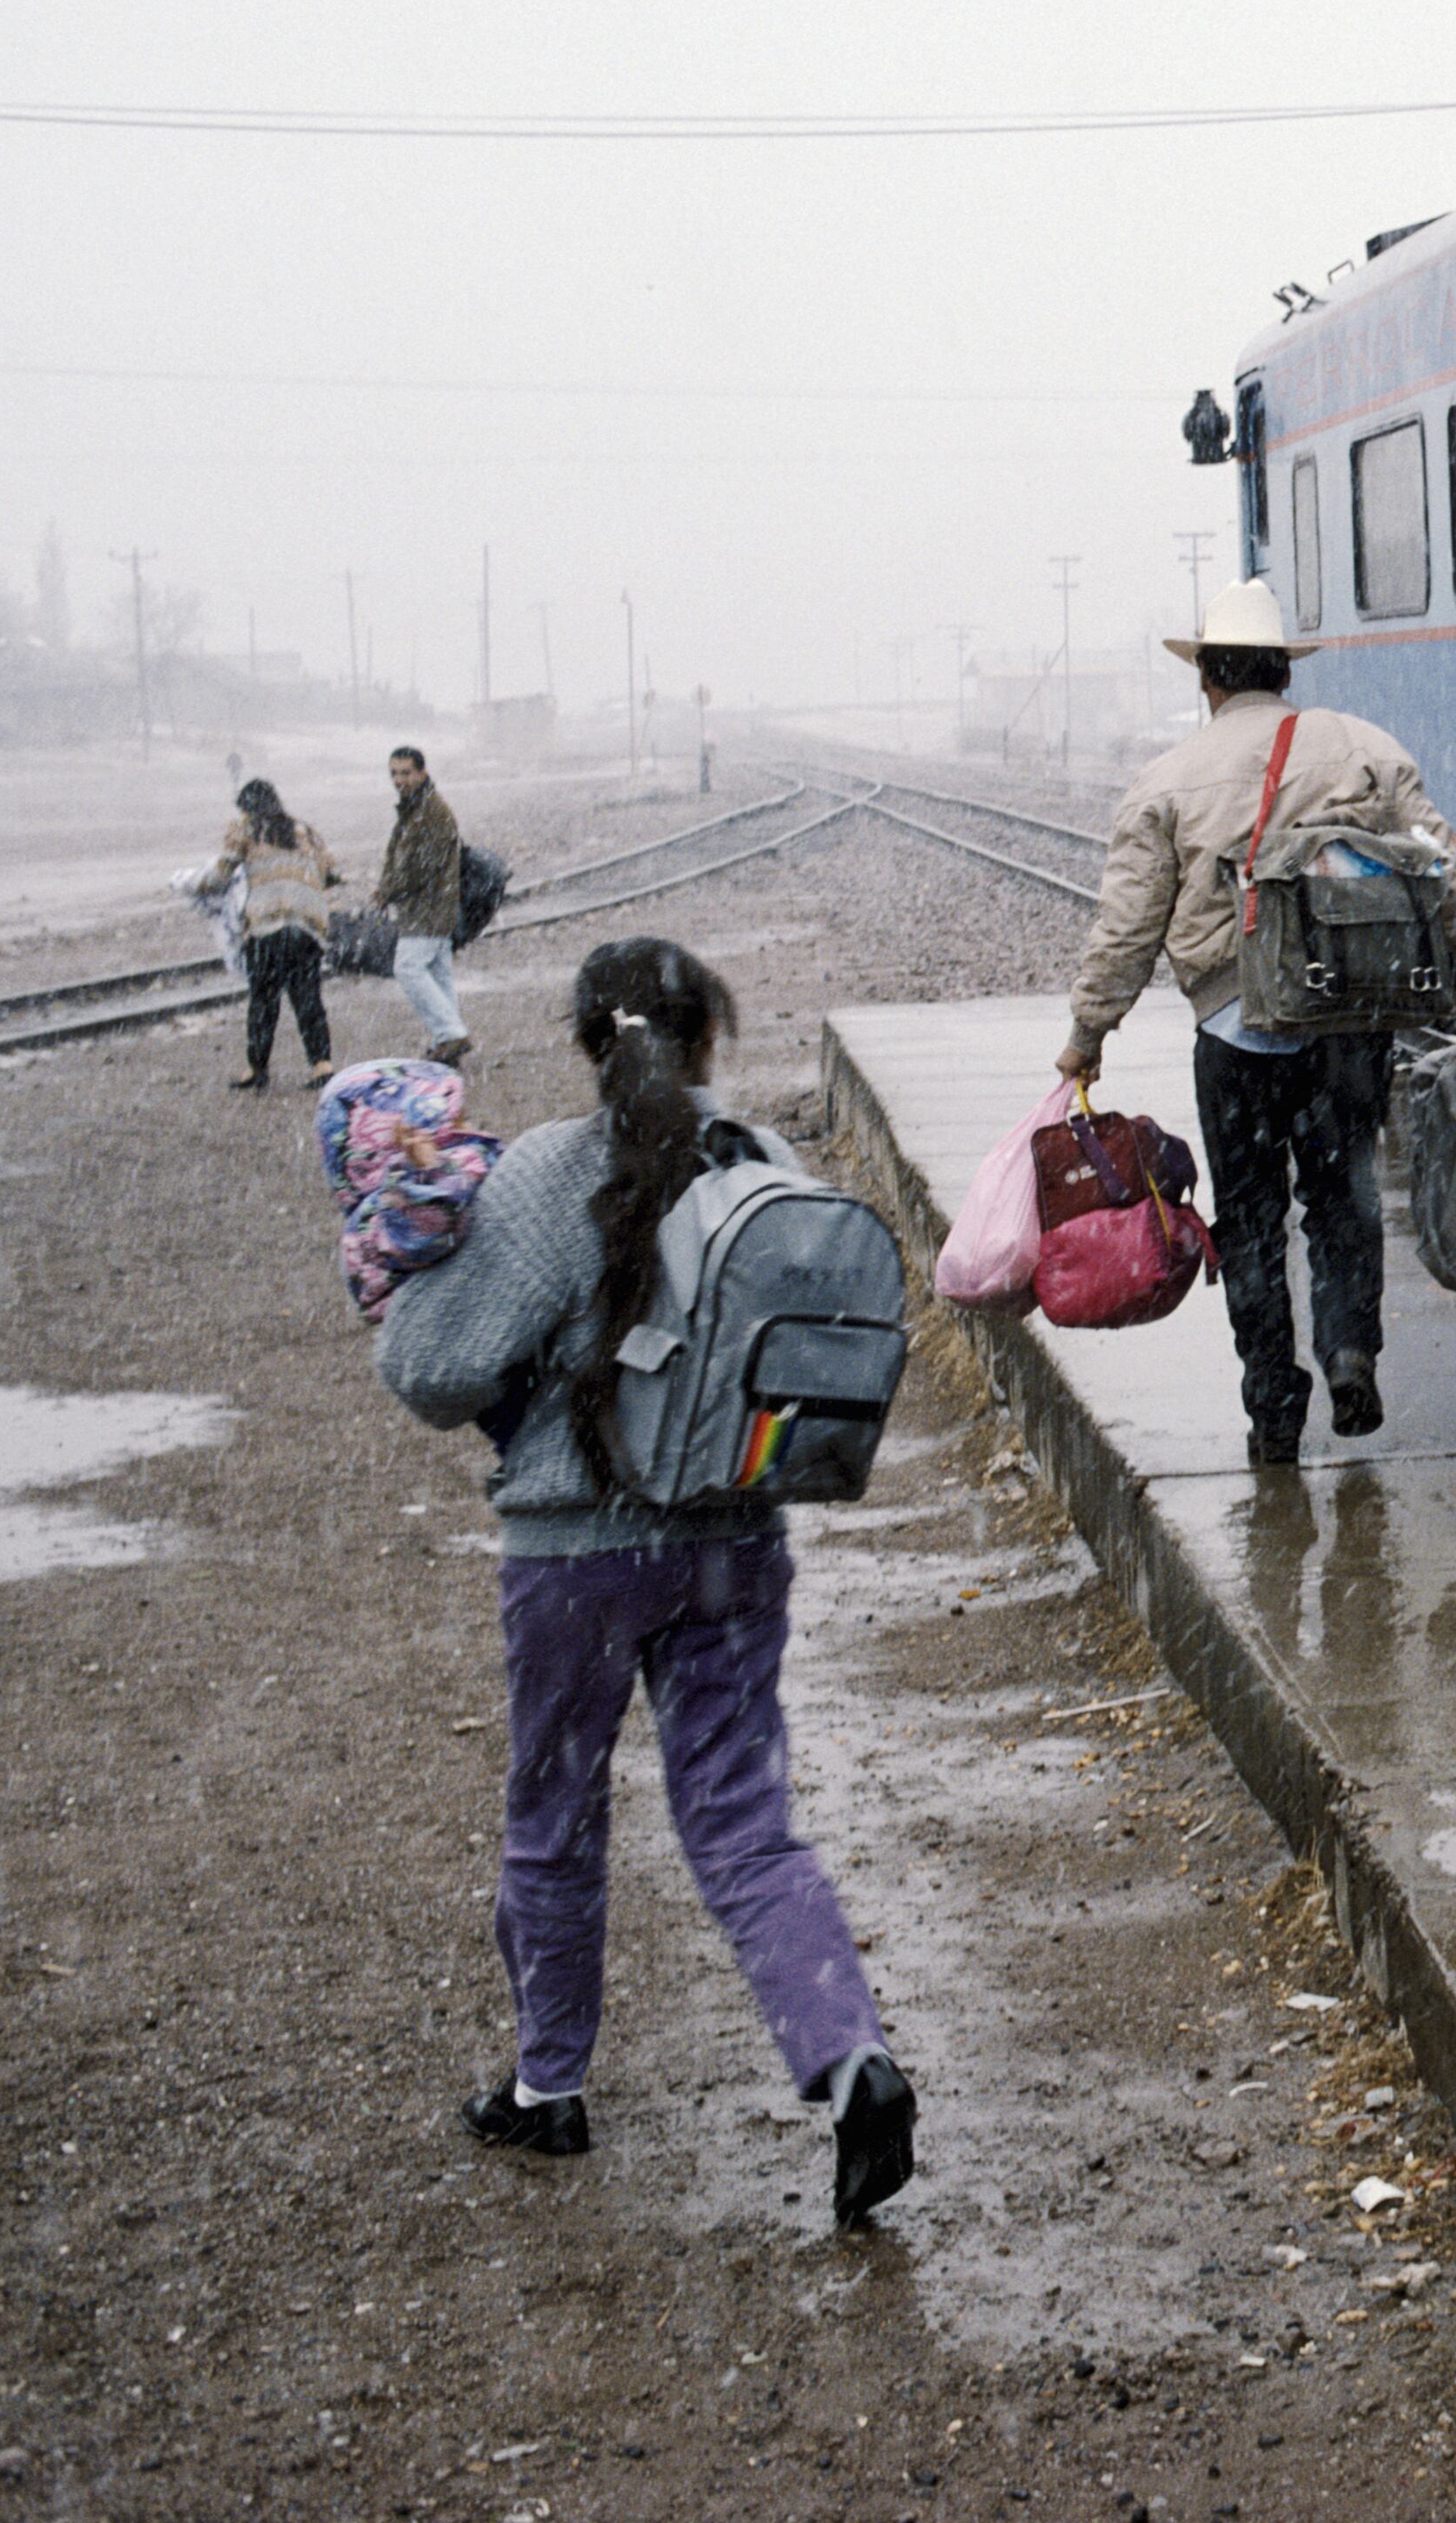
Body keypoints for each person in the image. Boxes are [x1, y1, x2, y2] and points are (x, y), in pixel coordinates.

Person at [373, 938, 917, 2223]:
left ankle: (548, 2085)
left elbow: (431, 1374)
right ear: (707, 1035)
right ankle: (850, 2058)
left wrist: (408, 1251)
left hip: (572, 1562)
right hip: (732, 1545)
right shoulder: (764, 1166)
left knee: (556, 1818)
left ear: (585, 1043)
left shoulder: (540, 1175)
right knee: (744, 1822)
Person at [1058, 578, 1456, 1467]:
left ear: (1208, 679)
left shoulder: (1167, 780)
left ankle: (1273, 1404)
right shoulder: (1364, 748)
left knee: (1249, 1220)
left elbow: (1126, 929)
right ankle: (1349, 1355)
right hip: (1344, 1023)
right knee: (1343, 1199)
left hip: (1233, 1034)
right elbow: (1441, 870)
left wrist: (1089, 1035)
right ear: (1283, 672)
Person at [210, 777, 340, 1090]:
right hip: (306, 922)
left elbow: (221, 874)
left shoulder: (245, 829)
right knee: (307, 996)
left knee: (263, 999)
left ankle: (257, 1069)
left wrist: (199, 885)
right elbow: (332, 873)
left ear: (247, 808)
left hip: (266, 923)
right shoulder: (304, 830)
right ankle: (321, 1066)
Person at [380, 745, 473, 1061]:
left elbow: (421, 866)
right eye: (394, 773)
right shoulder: (416, 808)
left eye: (406, 773)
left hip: (429, 907)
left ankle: (451, 1034)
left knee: (407, 967)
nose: (399, 780)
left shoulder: (431, 811)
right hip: (432, 906)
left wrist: (388, 890)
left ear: (422, 773)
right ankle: (448, 1043)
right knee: (438, 974)